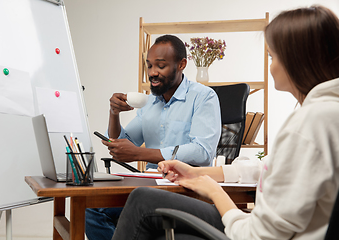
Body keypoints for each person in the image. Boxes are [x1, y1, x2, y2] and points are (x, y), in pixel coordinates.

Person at [112, 5, 339, 240]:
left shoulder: (308, 125)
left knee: (142, 200)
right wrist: (200, 174)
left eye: (273, 56)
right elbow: (268, 168)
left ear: (297, 59)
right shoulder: (326, 114)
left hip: (250, 232)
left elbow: (258, 235)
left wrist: (213, 190)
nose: (271, 66)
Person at [85, 34, 222, 240]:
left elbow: (202, 152)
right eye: (149, 66)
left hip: (186, 190)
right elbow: (121, 143)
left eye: (160, 66)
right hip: (150, 186)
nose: (153, 73)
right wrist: (114, 113)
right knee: (93, 209)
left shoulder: (204, 97)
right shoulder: (149, 103)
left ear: (182, 64)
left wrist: (140, 154)